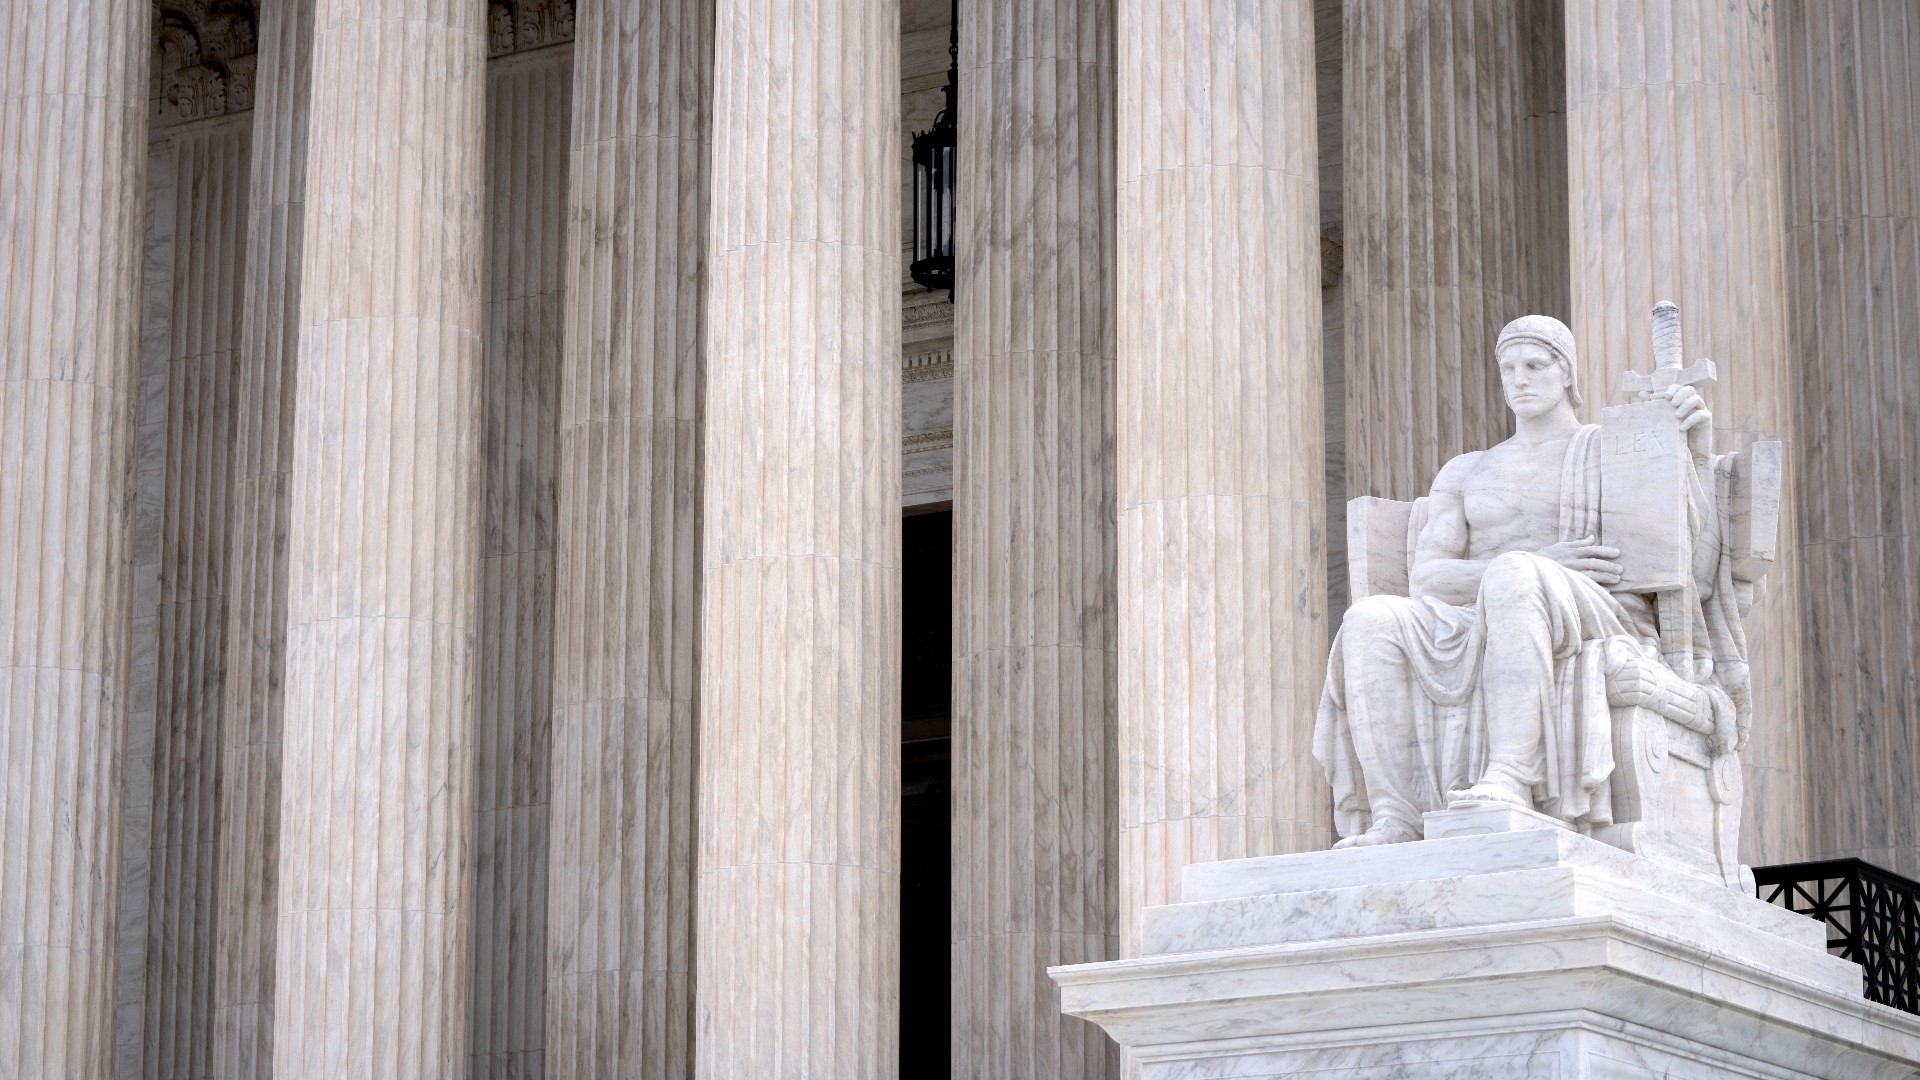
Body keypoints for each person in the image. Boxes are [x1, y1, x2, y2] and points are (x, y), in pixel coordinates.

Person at [1313, 314, 1725, 848]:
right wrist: (1542, 557)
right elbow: (1428, 578)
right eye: (1508, 368)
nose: (1519, 379)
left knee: (1516, 574)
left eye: (1534, 365)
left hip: (1595, 610)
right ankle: (1396, 815)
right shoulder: (1467, 471)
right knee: (1368, 618)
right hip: (1480, 609)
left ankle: (1510, 776)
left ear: (1568, 375)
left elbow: (1691, 553)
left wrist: (1691, 449)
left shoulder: (1609, 449)